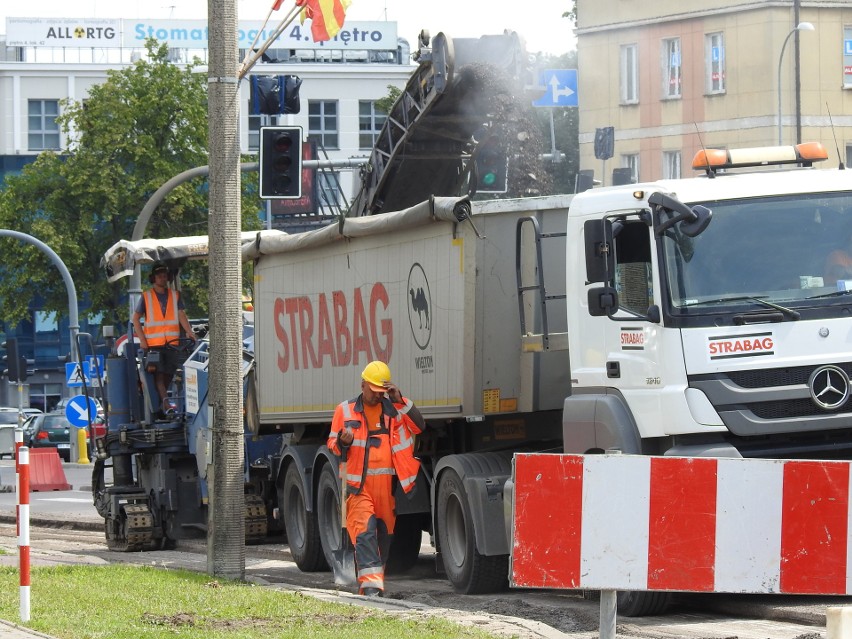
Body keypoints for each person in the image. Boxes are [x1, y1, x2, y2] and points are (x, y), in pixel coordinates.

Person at [326, 360, 426, 597]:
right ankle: (371, 587)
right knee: (366, 531)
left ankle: (371, 580)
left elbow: (419, 426)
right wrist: (343, 441)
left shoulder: (394, 411)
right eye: (374, 391)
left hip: (386, 488)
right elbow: (332, 444)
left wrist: (399, 399)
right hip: (358, 486)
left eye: (382, 392)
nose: (378, 397)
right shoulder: (345, 410)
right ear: (363, 385)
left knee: (383, 537)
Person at [131, 262, 197, 414]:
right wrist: (142, 340)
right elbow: (136, 319)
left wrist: (189, 332)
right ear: (153, 278)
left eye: (164, 275)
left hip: (173, 344)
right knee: (159, 376)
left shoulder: (175, 295)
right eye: (159, 275)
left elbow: (181, 314)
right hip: (154, 345)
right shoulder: (146, 297)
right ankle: (167, 406)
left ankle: (162, 405)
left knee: (169, 374)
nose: (162, 278)